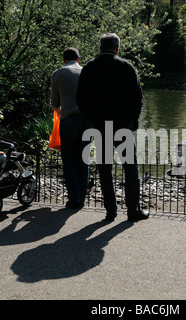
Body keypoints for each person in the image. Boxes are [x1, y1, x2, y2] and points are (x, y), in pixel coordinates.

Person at [76, 33, 149, 222]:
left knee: (105, 168)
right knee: (130, 168)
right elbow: (137, 98)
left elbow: (81, 99)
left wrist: (91, 118)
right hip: (122, 125)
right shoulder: (126, 66)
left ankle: (111, 210)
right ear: (117, 47)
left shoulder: (90, 67)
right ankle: (133, 209)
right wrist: (132, 121)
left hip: (100, 125)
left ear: (101, 47)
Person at [51, 47, 91, 209]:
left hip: (68, 121)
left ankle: (73, 199)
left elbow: (55, 104)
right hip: (87, 121)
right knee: (83, 160)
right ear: (79, 59)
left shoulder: (58, 74)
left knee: (69, 160)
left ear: (64, 60)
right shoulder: (88, 72)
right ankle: (82, 198)